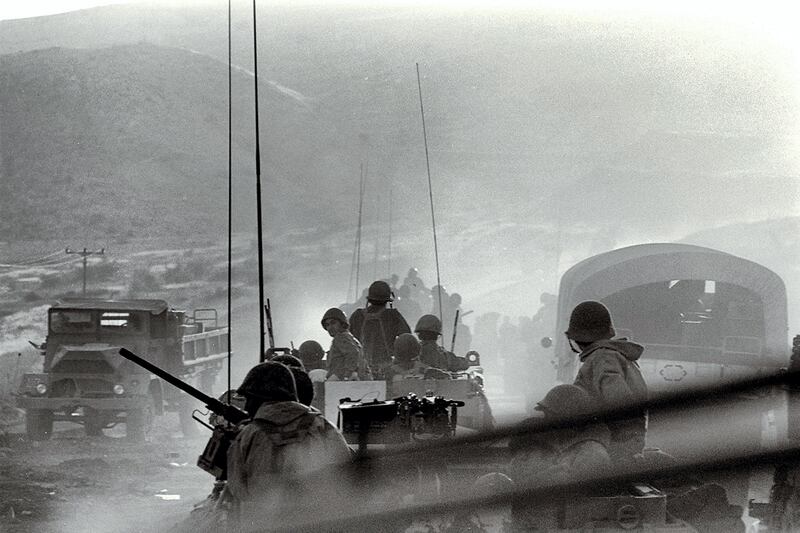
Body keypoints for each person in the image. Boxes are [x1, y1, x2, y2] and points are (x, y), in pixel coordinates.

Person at [226, 361, 352, 529]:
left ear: (262, 398)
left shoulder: (249, 435)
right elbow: (347, 474)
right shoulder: (323, 426)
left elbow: (238, 489)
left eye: (250, 399)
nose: (247, 406)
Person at [507, 384, 611, 531]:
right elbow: (516, 471)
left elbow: (577, 487)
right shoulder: (538, 441)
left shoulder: (592, 451)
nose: (547, 420)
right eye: (546, 415)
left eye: (552, 416)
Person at [566, 300, 648, 462]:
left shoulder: (602, 358)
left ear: (577, 338)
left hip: (612, 442)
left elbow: (618, 400)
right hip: (624, 440)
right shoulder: (617, 356)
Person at [349, 280, 410, 379]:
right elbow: (407, 338)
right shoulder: (393, 315)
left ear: (369, 299)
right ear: (387, 300)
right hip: (388, 370)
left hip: (360, 370)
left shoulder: (357, 315)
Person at [321, 307, 367, 381]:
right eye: (327, 325)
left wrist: (348, 374)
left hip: (342, 381)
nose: (330, 327)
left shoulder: (340, 337)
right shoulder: (349, 337)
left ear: (342, 324)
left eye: (333, 323)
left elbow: (353, 353)